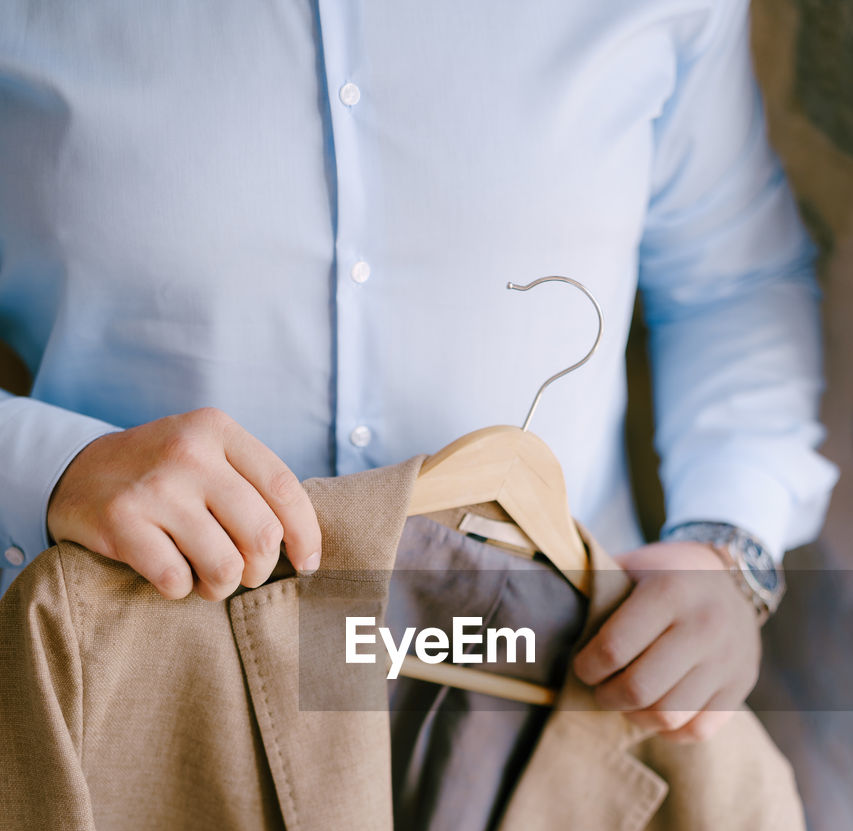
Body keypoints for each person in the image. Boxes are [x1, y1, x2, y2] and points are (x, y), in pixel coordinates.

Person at [0, 0, 838, 744]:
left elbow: (732, 281)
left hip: (558, 703)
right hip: (129, 710)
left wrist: (730, 546)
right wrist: (49, 467)